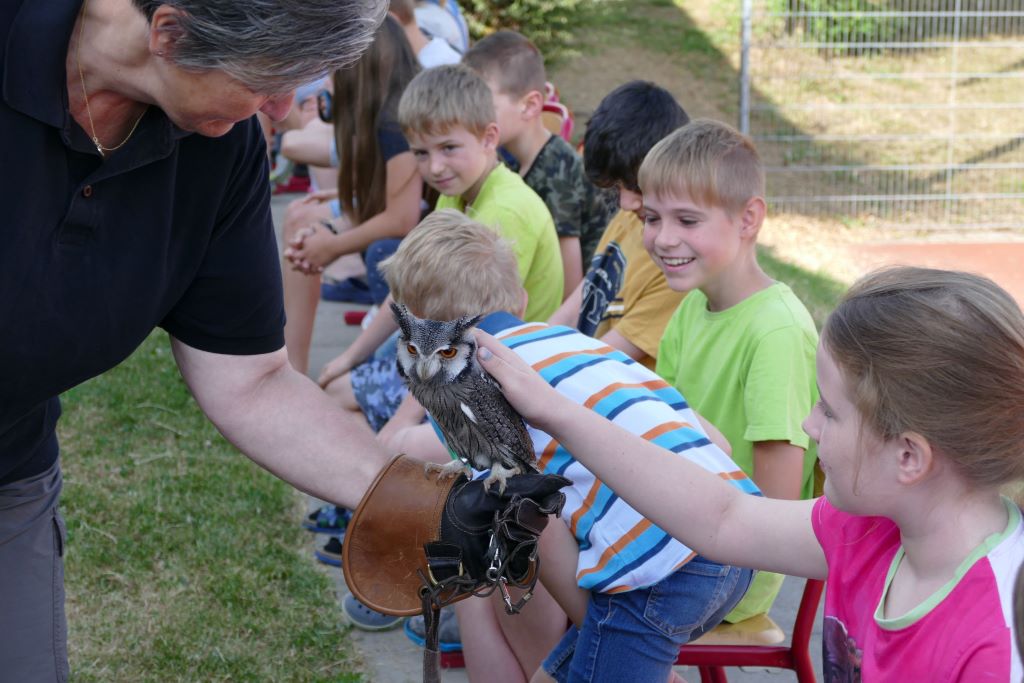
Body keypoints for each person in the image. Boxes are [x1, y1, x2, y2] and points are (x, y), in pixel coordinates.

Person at [0, 0, 393, 678]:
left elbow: (253, 380)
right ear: (170, 32)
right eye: (268, 80)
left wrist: (416, 501)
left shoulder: (222, 148)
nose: (282, 107)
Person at [479, 265, 1024, 680]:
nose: (809, 425)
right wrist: (555, 412)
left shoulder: (995, 642)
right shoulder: (872, 527)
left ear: (910, 456)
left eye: (830, 411)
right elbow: (723, 517)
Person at [375, 209, 754, 682]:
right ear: (522, 297)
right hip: (738, 540)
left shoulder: (471, 379)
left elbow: (412, 458)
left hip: (661, 571)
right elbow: (715, 440)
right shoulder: (582, 346)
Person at [635, 121, 819, 623]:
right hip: (683, 529)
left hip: (734, 565)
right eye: (652, 217)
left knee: (550, 568)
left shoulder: (776, 332)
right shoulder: (692, 307)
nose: (663, 238)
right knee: (521, 540)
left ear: (748, 219)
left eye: (688, 220)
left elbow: (775, 510)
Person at [317, 63, 563, 431]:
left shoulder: (505, 213)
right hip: (454, 349)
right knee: (337, 391)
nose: (434, 167)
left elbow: (470, 332)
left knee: (341, 406)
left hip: (498, 372)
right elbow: (409, 290)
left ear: (488, 137)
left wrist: (403, 420)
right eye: (420, 153)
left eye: (448, 148)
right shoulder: (458, 194)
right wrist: (354, 356)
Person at [279, 16, 424, 374]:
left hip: (420, 236)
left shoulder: (396, 123)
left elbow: (402, 217)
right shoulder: (381, 116)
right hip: (410, 224)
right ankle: (290, 365)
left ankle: (292, 368)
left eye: (333, 67)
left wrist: (333, 246)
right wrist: (329, 218)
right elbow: (385, 198)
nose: (327, 81)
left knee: (316, 230)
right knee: (303, 219)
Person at [464, 31, 617, 297]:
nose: (470, 114)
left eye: (482, 102)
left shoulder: (557, 171)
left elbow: (569, 285)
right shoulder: (511, 161)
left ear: (530, 105)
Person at [547, 81, 688, 369]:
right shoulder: (629, 219)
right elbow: (575, 307)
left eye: (635, 186)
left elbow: (602, 359)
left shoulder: (677, 259)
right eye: (617, 187)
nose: (624, 203)